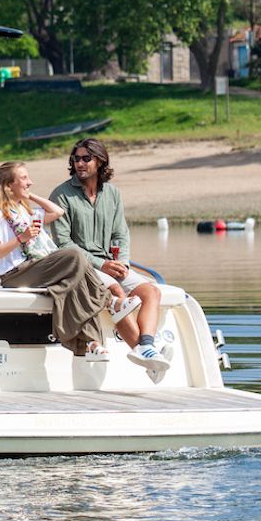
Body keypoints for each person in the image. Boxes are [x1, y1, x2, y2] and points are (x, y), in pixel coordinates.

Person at [0, 161, 136, 361]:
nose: (30, 182)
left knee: (75, 281)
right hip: (15, 274)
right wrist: (22, 238)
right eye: (24, 178)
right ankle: (109, 301)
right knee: (74, 255)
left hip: (35, 266)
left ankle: (92, 345)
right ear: (8, 185)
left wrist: (30, 196)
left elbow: (57, 212)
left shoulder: (24, 212)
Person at [48, 138, 171, 372]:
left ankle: (146, 345)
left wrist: (122, 262)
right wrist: (102, 264)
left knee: (152, 291)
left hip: (112, 264)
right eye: (76, 159)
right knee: (114, 290)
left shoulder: (112, 194)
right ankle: (148, 355)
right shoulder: (61, 195)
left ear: (100, 161)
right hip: (83, 267)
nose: (80, 164)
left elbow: (121, 233)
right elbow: (64, 244)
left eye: (86, 158)